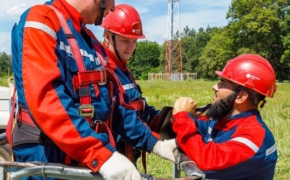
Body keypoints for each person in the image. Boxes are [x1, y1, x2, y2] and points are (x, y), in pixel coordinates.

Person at [8, 0, 177, 180]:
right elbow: (47, 101)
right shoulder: (42, 21)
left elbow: (114, 106)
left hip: (80, 157)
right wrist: (100, 155)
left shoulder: (89, 41)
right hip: (46, 159)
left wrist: (154, 144)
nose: (112, 8)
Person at [171, 54, 278, 179]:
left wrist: (182, 118)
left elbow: (208, 163)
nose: (215, 87)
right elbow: (199, 126)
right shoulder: (225, 121)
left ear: (240, 97)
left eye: (222, 83)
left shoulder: (253, 137)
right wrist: (188, 118)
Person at [100, 3, 161, 165]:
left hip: (128, 152)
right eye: (125, 41)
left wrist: (166, 117)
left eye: (134, 41)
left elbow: (137, 104)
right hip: (114, 157)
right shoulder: (101, 68)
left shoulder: (122, 67)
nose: (131, 47)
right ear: (107, 36)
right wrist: (153, 142)